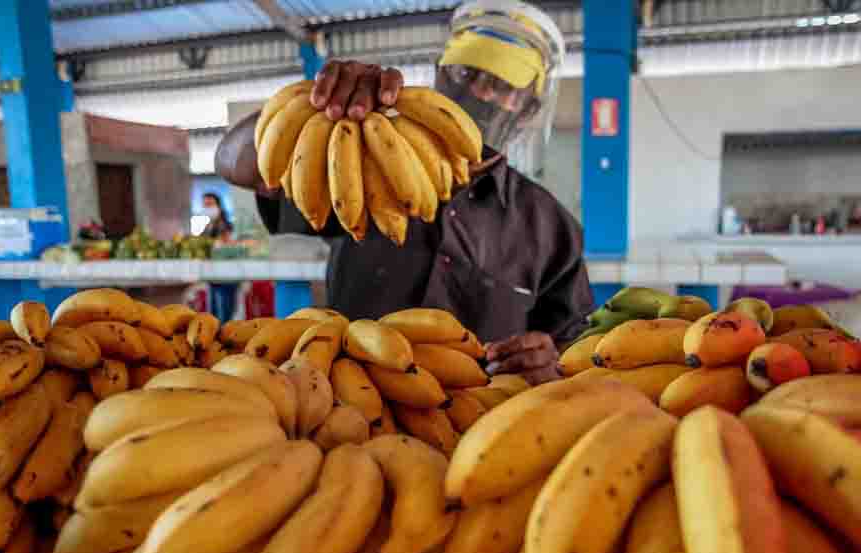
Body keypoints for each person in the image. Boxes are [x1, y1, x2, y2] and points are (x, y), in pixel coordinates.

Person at [216, 0, 593, 385]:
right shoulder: (357, 161)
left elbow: (575, 344)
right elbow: (236, 162)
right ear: (440, 75)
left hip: (479, 423)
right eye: (466, 72)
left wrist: (550, 362)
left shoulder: (550, 227)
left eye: (501, 85)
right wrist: (317, 107)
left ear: (528, 110)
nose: (479, 91)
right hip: (349, 405)